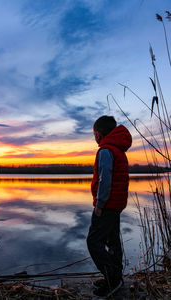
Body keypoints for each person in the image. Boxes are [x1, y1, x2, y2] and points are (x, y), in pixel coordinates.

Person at [86, 115, 132, 297]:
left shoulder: (106, 150)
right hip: (117, 203)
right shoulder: (119, 150)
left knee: (93, 241)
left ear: (99, 133)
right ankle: (115, 276)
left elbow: (106, 180)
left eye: (94, 133)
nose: (94, 137)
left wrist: (100, 203)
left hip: (107, 204)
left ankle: (112, 278)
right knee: (112, 241)